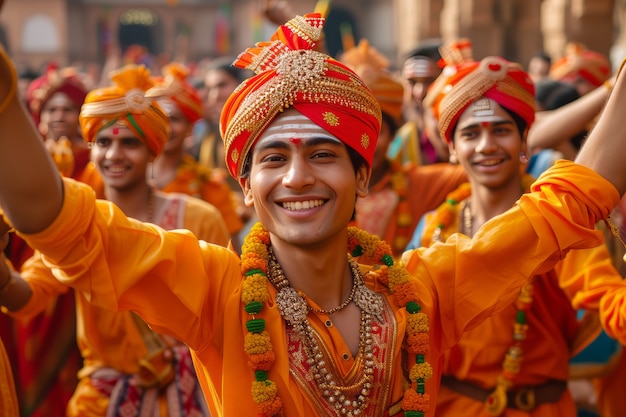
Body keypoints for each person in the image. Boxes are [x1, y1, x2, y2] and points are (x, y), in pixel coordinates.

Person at [0, 13, 626, 417]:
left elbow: (567, 202)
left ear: (361, 174)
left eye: (323, 154)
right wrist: (5, 103)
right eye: (273, 157)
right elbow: (62, 223)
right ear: (246, 185)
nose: (298, 176)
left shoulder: (422, 292)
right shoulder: (214, 290)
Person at [1, 64, 230, 416]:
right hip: (102, 401)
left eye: (130, 143)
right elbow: (24, 298)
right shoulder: (76, 224)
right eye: (103, 142)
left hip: (191, 396)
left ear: (153, 150)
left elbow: (224, 318)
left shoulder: (199, 217)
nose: (114, 155)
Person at [407, 54, 625, 416]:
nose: (487, 145)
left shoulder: (559, 225)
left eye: (502, 130)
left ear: (525, 141)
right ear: (452, 149)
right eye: (471, 133)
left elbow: (604, 295)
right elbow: (408, 323)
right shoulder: (435, 227)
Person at [338, 39, 467, 256]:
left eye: (376, 133)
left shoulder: (416, 183)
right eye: (353, 132)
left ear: (393, 136)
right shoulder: (326, 189)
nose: (364, 143)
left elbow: (481, 166)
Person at [151, 62, 243, 250]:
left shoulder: (209, 186)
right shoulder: (126, 180)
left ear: (190, 127)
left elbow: (232, 255)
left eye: (175, 119)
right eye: (159, 119)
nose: (166, 127)